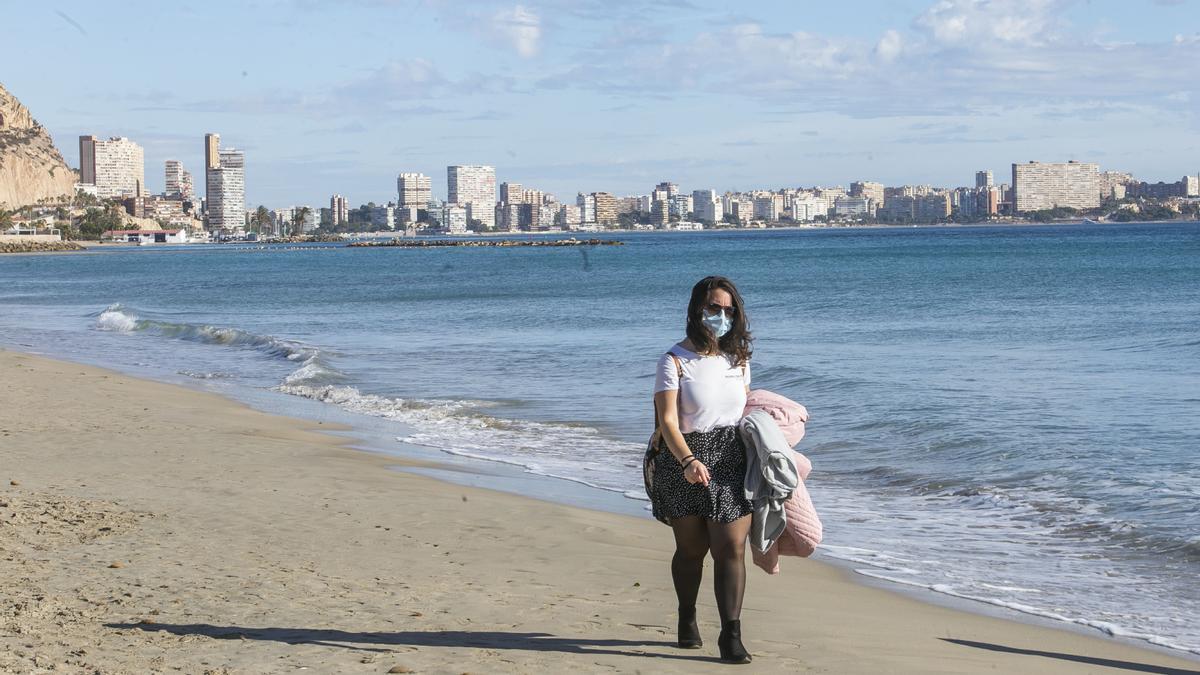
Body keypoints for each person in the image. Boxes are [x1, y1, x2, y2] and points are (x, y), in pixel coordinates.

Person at [652, 275, 754, 664]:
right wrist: (688, 461)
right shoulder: (674, 360)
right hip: (684, 459)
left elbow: (745, 412)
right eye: (715, 308)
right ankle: (687, 617)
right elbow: (667, 422)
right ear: (698, 309)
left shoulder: (738, 360)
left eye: (728, 310)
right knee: (692, 550)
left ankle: (731, 636)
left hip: (730, 457)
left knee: (731, 548)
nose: (721, 316)